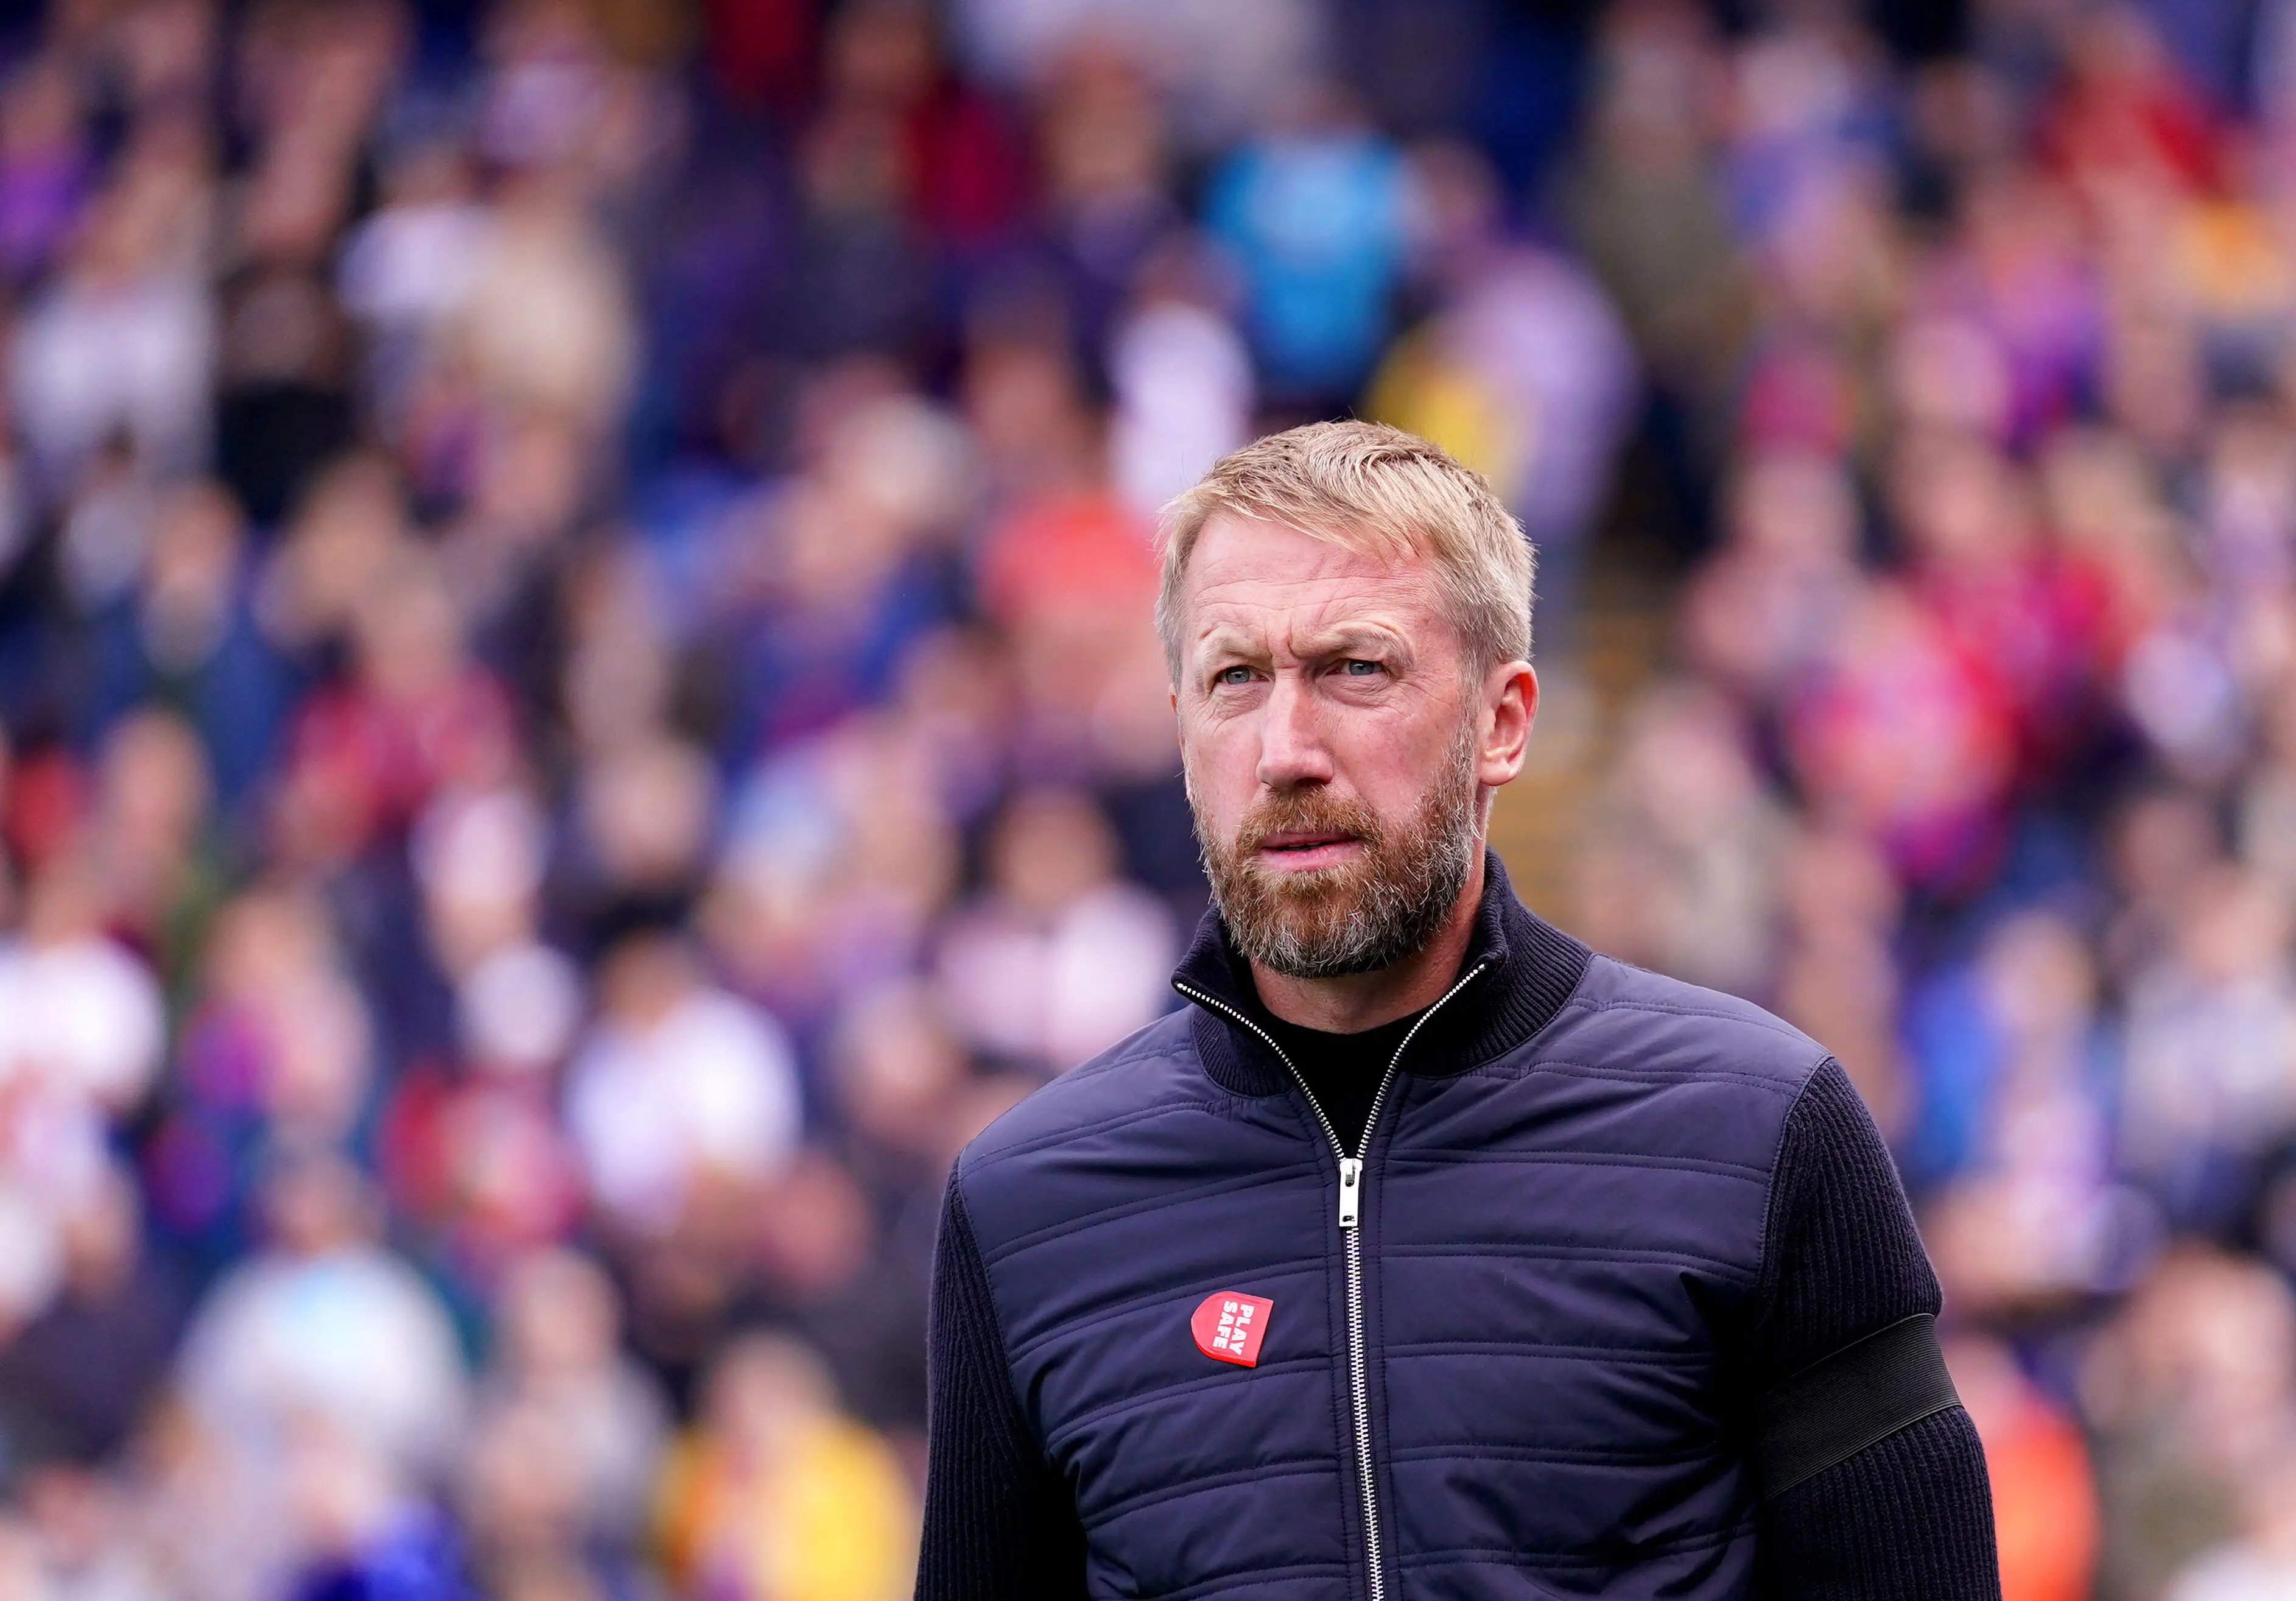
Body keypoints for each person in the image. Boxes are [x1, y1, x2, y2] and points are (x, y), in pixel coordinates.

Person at [915, 421, 2000, 1598]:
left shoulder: (1760, 1129)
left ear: (1502, 723)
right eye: (1235, 679)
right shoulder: (1024, 1205)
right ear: (1179, 727)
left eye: (1355, 669)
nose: (1286, 750)